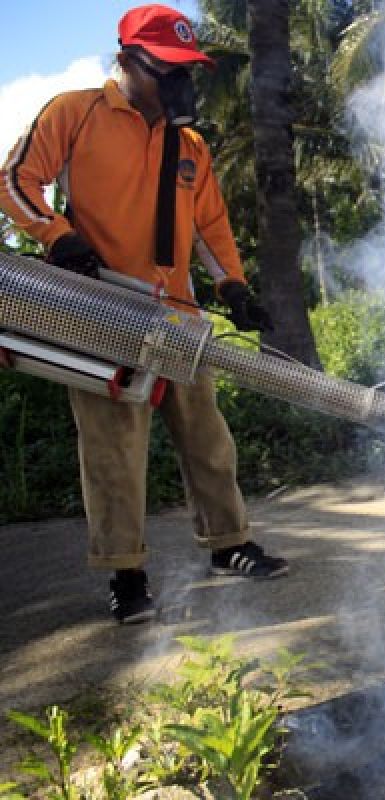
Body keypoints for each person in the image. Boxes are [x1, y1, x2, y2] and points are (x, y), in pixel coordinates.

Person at [0, 4, 288, 624]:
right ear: (129, 62)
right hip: (100, 309)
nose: (181, 86)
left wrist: (233, 286)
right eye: (169, 71)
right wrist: (56, 236)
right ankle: (125, 574)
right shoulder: (74, 113)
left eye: (189, 72)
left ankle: (228, 545)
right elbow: (16, 181)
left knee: (208, 438)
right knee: (113, 451)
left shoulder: (190, 145)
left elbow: (210, 225)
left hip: (176, 317)